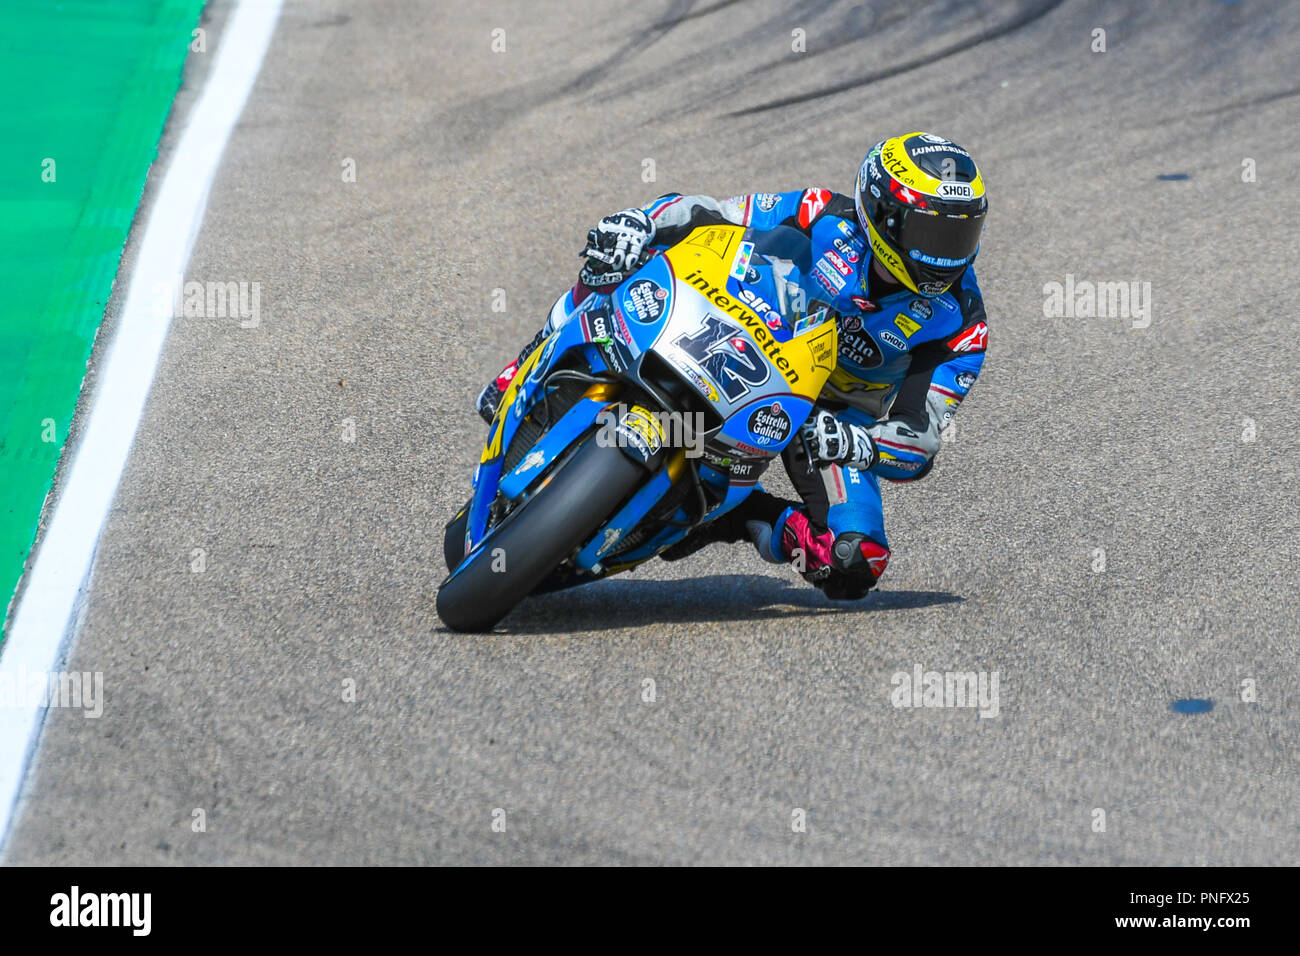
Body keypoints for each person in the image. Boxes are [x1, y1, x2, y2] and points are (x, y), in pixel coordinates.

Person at [476, 132, 990, 599]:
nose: (946, 256)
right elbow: (712, 212)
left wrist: (860, 443)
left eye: (959, 237)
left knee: (854, 562)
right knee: (620, 252)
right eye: (932, 234)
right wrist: (642, 220)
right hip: (758, 342)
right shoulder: (821, 213)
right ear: (881, 213)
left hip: (831, 420)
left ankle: (740, 516)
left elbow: (920, 440)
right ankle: (525, 363)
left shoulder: (962, 323)